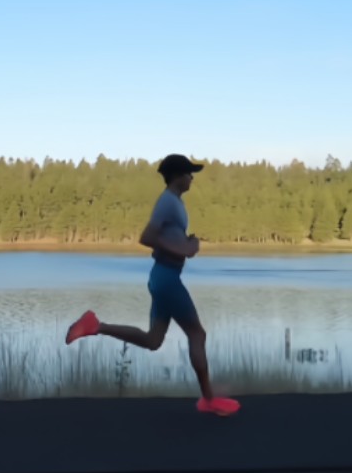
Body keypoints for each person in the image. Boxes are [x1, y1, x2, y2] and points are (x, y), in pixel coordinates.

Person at [65, 154, 241, 416]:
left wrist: (187, 243)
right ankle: (209, 400)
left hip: (162, 277)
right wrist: (184, 249)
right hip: (166, 279)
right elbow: (147, 236)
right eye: (189, 173)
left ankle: (95, 326)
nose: (192, 178)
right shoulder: (167, 201)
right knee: (197, 335)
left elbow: (166, 238)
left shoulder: (175, 202)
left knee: (153, 340)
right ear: (177, 176)